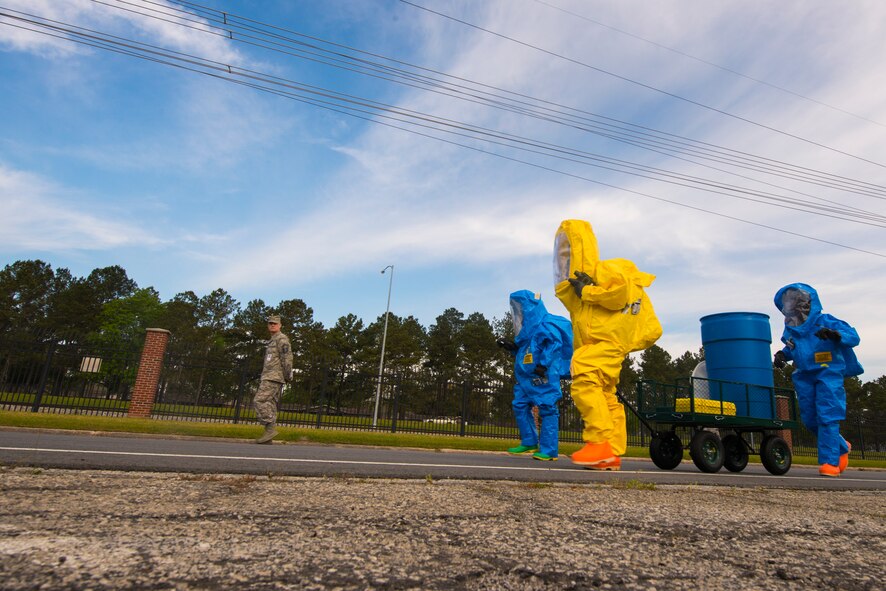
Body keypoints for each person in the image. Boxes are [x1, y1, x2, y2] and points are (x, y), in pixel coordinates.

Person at [553, 219, 662, 470]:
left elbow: (621, 296)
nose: (563, 261)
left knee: (584, 373)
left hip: (605, 344)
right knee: (606, 395)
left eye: (567, 253)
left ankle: (599, 442)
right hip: (605, 344)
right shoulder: (585, 282)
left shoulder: (605, 272)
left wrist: (588, 291)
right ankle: (610, 454)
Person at [773, 283, 862, 477]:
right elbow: (791, 348)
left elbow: (853, 336)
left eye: (797, 301)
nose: (794, 306)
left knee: (827, 415)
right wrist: (782, 354)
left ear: (808, 302)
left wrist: (834, 335)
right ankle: (841, 446)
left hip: (828, 372)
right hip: (804, 375)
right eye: (789, 302)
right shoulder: (791, 329)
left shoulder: (826, 321)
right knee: (810, 420)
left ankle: (830, 463)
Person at [497, 290, 573, 461]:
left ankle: (549, 450)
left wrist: (543, 365)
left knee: (547, 408)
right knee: (520, 404)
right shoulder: (526, 334)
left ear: (530, 306)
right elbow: (526, 353)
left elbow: (554, 345)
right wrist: (511, 347)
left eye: (521, 306)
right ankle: (529, 440)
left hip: (543, 375)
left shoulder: (546, 325)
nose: (518, 311)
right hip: (527, 378)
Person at [253, 314, 293, 444]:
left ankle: (269, 427)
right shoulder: (272, 340)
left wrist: (288, 375)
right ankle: (268, 435)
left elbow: (287, 358)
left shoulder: (282, 339)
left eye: (275, 323)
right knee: (270, 404)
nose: (272, 325)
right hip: (269, 375)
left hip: (274, 377)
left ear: (280, 325)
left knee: (259, 400)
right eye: (270, 323)